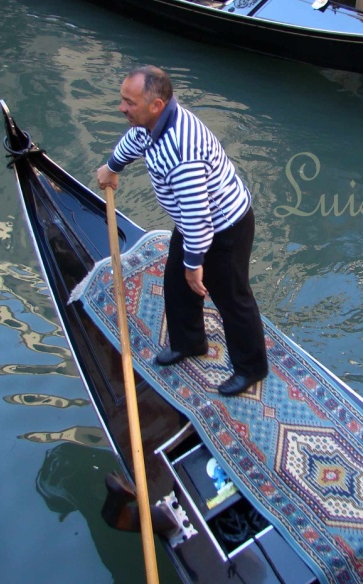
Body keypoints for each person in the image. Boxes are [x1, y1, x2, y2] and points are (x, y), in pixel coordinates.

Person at [95, 66, 269, 397]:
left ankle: (251, 367)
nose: (122, 108)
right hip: (196, 222)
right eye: (123, 100)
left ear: (156, 105)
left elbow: (198, 217)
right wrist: (112, 166)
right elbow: (136, 139)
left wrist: (195, 263)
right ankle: (190, 342)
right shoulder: (151, 123)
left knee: (232, 298)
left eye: (129, 103)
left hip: (224, 227)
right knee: (176, 282)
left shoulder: (182, 152)